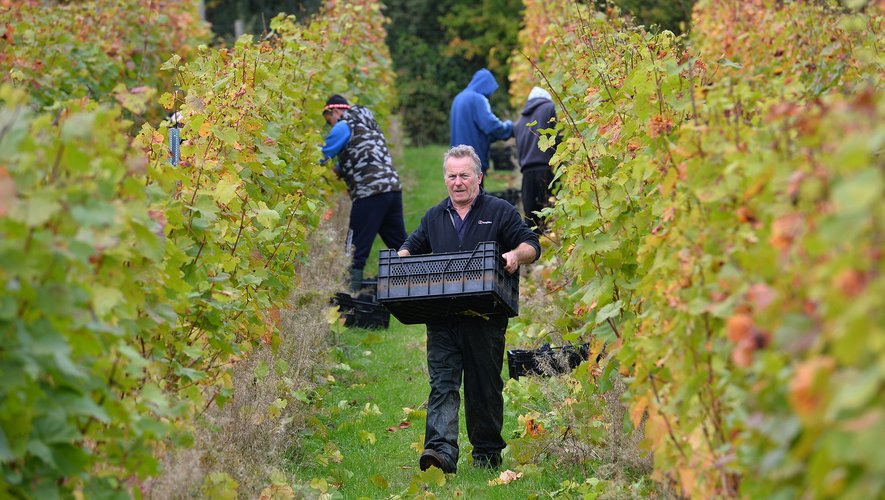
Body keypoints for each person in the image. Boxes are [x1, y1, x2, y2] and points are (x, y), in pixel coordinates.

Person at [398, 145, 541, 473]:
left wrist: (516, 256)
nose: (458, 182)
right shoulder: (435, 216)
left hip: (486, 317)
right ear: (445, 179)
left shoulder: (500, 210)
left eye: (464, 175)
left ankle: (487, 454)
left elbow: (531, 243)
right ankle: (440, 452)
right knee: (442, 383)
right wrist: (402, 259)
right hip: (441, 317)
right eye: (452, 175)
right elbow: (411, 247)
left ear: (479, 177)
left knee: (484, 387)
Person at [321, 94, 407, 291]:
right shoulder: (369, 125)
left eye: (329, 121)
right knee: (401, 245)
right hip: (392, 190)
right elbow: (361, 157)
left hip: (369, 194)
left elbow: (322, 156)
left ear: (335, 111)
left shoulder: (343, 126)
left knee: (354, 249)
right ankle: (420, 286)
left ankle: (350, 298)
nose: (330, 126)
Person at [449, 68, 513, 181]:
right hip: (472, 160)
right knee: (475, 196)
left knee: (461, 195)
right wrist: (509, 127)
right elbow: (490, 126)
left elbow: (472, 130)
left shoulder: (459, 98)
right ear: (485, 86)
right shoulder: (477, 99)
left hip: (456, 159)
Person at [514, 86, 559, 233]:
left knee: (532, 222)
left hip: (527, 174)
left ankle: (534, 254)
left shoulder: (520, 121)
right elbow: (559, 137)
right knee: (551, 217)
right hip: (547, 170)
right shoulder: (550, 108)